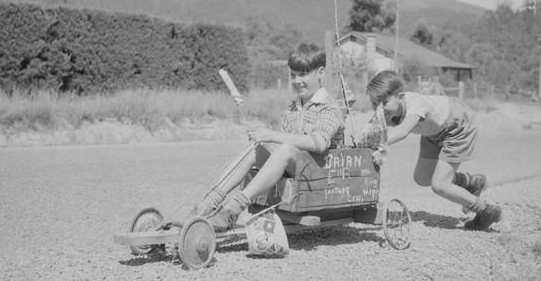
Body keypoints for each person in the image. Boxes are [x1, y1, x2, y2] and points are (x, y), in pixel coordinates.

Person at [199, 42, 345, 232]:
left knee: (284, 148)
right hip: (295, 168)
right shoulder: (292, 108)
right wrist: (265, 139)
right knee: (258, 147)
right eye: (293, 75)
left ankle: (234, 208)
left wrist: (273, 135)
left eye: (303, 74)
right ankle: (210, 202)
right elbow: (281, 142)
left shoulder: (329, 107)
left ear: (320, 73)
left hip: (320, 172)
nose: (297, 80)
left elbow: (318, 143)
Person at [364, 70, 501, 230]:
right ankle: (470, 182)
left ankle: (486, 211)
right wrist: (362, 138)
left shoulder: (415, 103)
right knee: (422, 177)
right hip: (434, 132)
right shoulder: (388, 111)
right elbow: (371, 128)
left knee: (440, 185)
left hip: (457, 126)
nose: (379, 108)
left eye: (384, 103)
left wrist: (376, 141)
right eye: (375, 104)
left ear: (400, 95)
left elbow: (402, 132)